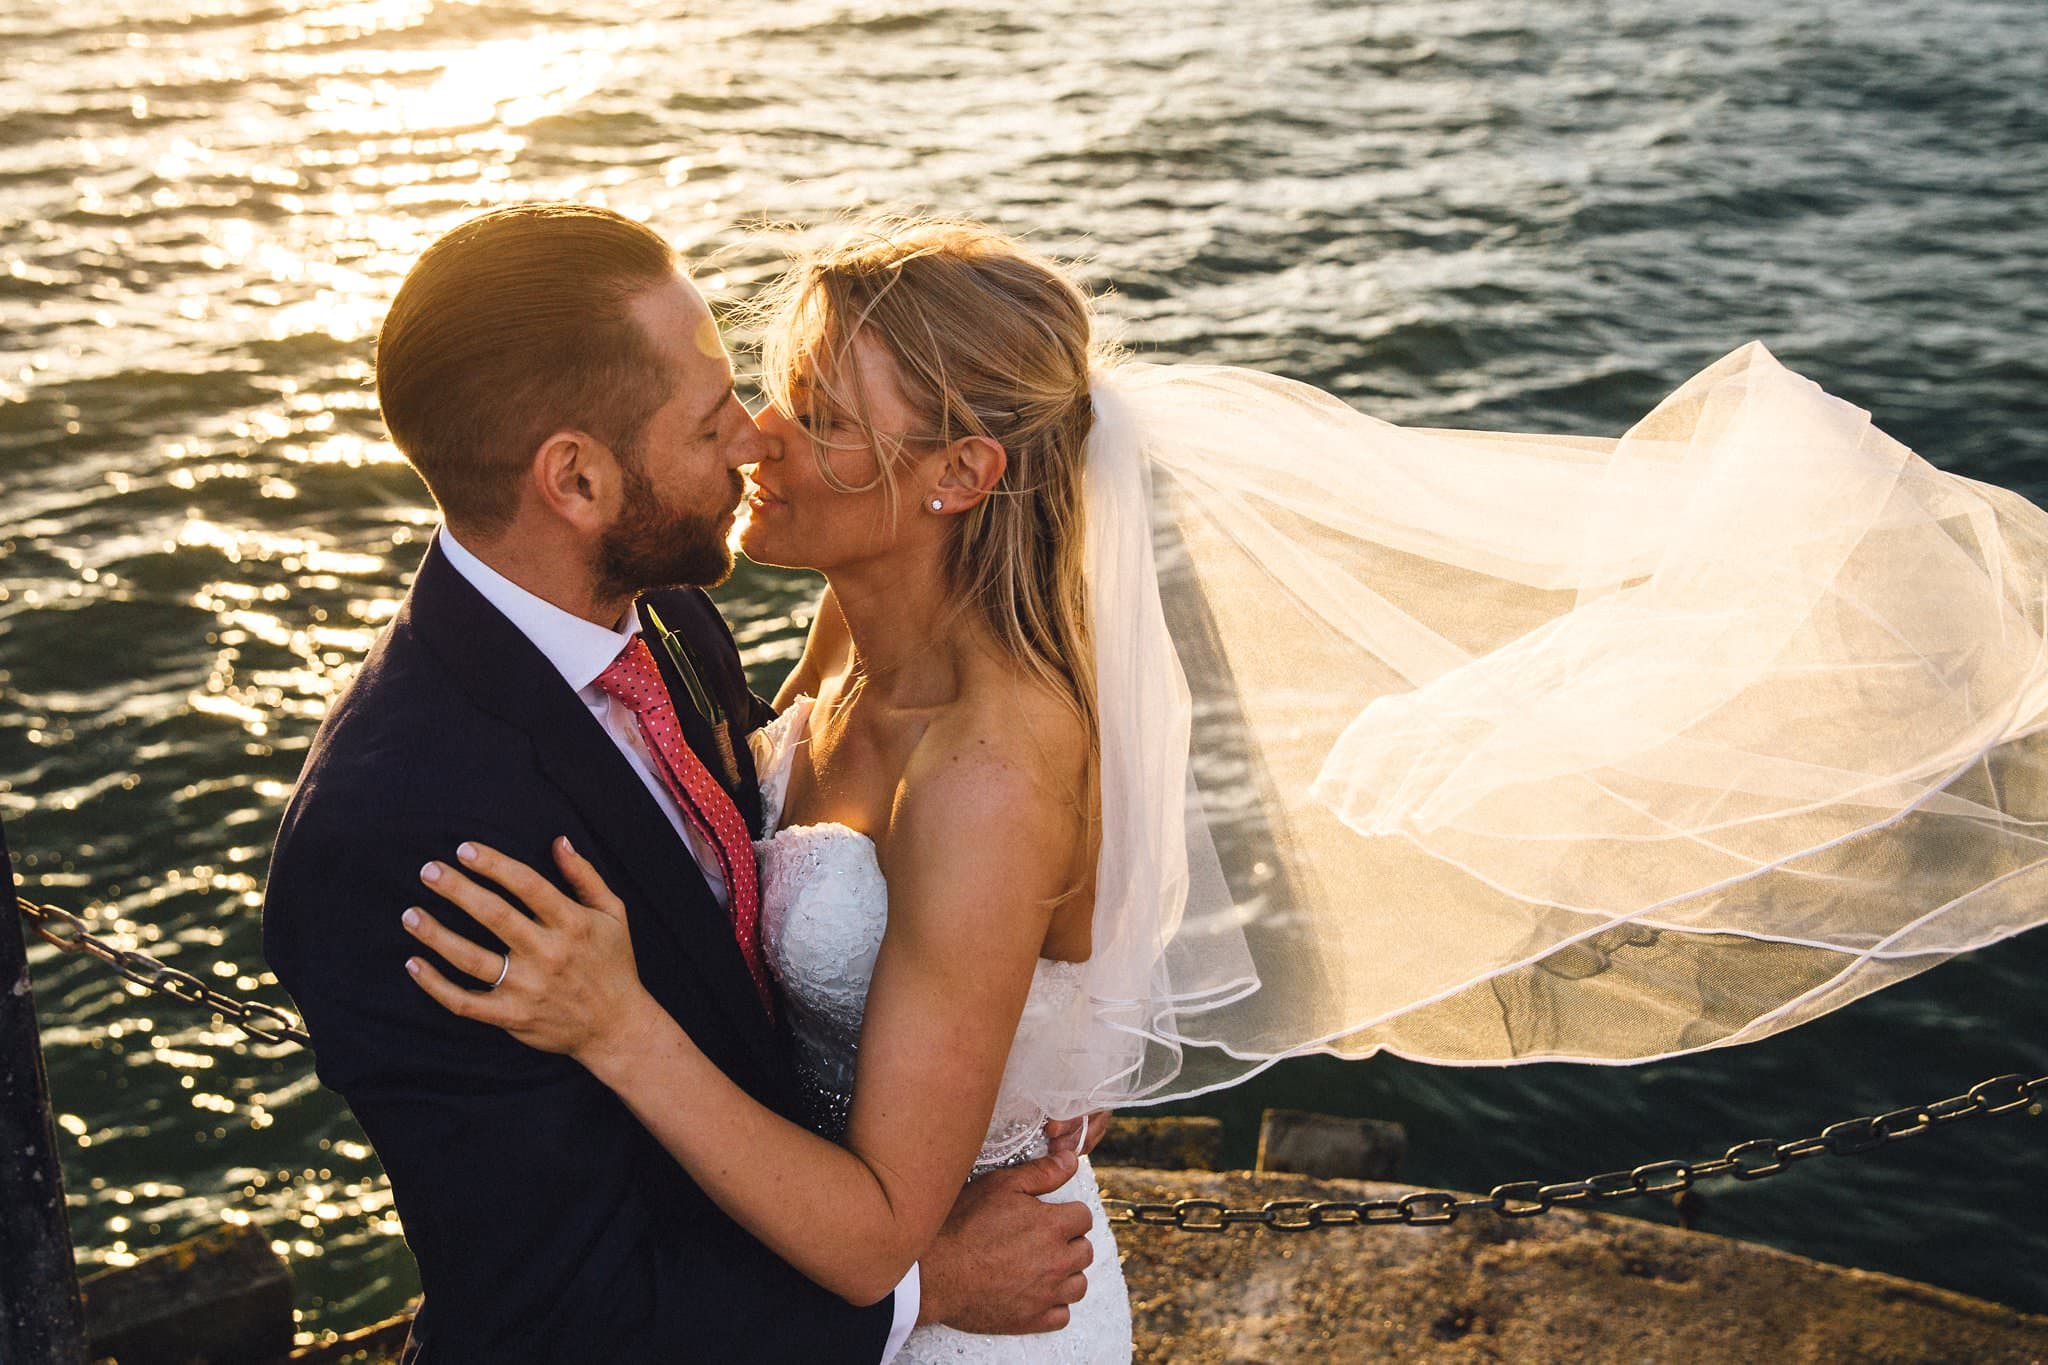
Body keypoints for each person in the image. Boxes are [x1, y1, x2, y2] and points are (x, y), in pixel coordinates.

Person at [401, 218, 2048, 1358]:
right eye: (769, 393)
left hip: (965, 1327)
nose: (758, 435)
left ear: (961, 475)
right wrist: (1044, 1048)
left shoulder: (988, 768)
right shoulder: (842, 622)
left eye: (816, 414)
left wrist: (617, 1025)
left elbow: (867, 1240)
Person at [261, 205, 1099, 1365]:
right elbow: (555, 1311)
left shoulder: (663, 612)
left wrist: (1041, 1052)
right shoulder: (395, 834)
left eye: (804, 411)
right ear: (577, 479)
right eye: (716, 419)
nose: (757, 441)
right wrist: (923, 1287)